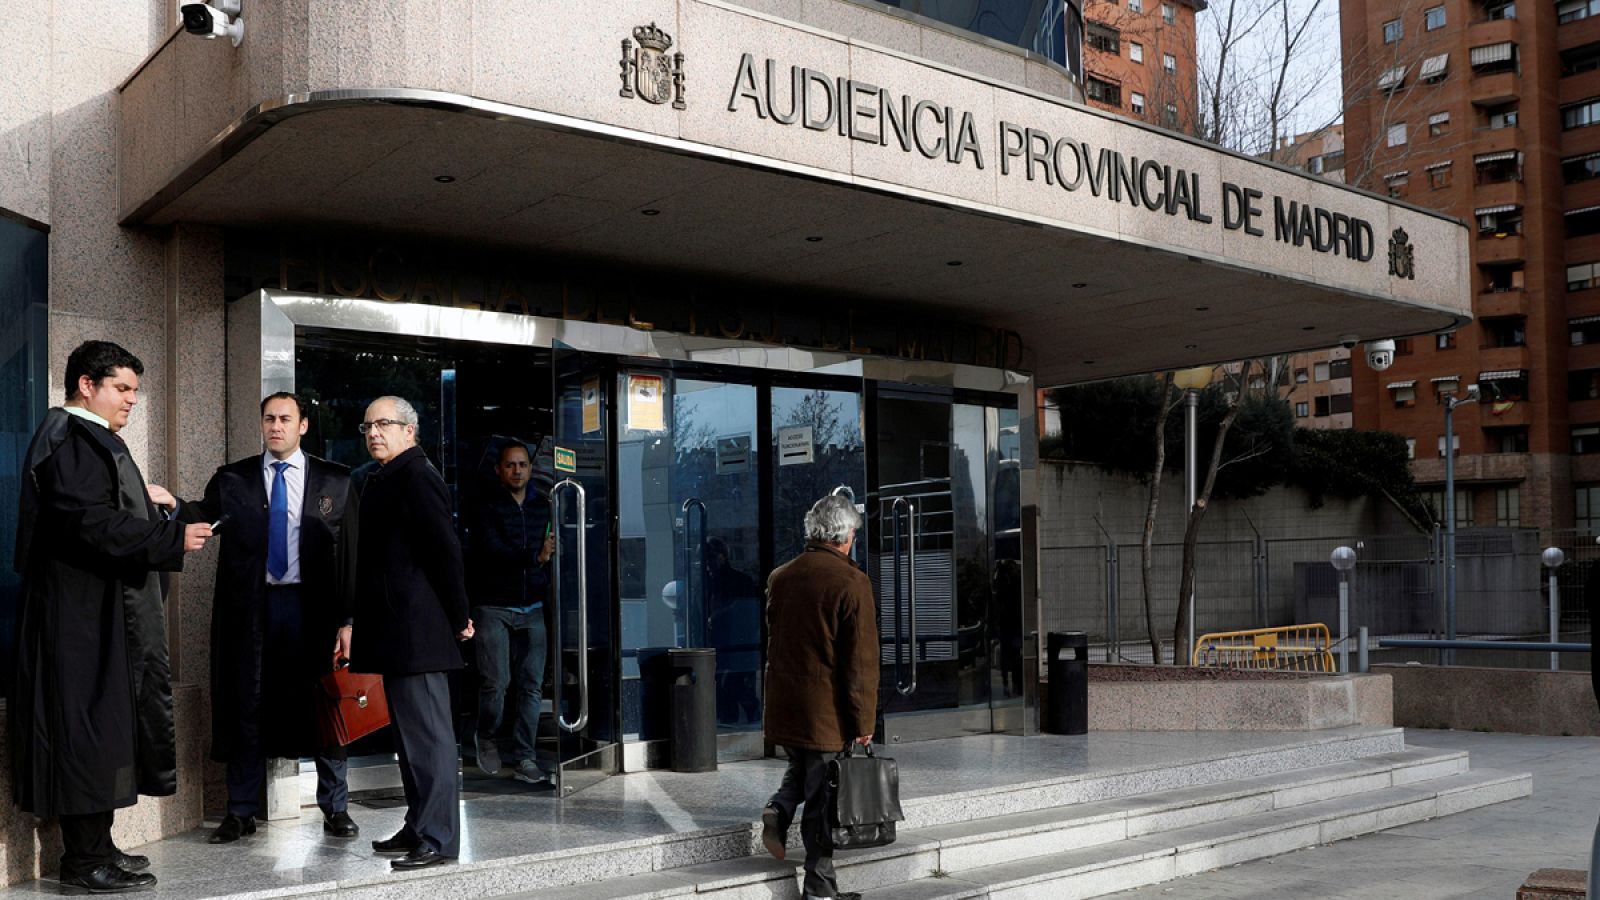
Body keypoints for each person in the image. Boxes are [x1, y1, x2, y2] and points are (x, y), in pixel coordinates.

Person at [9, 341, 212, 893]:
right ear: (86, 385)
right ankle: (82, 861)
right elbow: (88, 523)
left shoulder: (80, 437)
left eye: (134, 391)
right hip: (78, 620)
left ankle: (99, 846)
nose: (131, 400)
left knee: (104, 732)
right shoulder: (72, 439)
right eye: (121, 388)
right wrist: (169, 538)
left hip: (94, 613)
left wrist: (154, 514)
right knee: (87, 733)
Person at [164, 392, 358, 844]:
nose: (276, 426)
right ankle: (240, 810)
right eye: (269, 418)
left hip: (312, 610)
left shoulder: (336, 481)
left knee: (326, 705)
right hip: (252, 609)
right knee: (245, 702)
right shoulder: (234, 479)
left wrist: (347, 621)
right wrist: (172, 504)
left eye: (286, 419)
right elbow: (203, 515)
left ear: (302, 426)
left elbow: (351, 556)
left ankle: (336, 807)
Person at [348, 396, 473, 870]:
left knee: (430, 741)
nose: (374, 433)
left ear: (409, 430)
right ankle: (419, 824)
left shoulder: (418, 476)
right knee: (409, 741)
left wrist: (459, 616)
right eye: (368, 426)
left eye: (384, 424)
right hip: (395, 630)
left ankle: (438, 838)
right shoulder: (384, 477)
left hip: (419, 632)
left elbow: (445, 551)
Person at [759, 495, 879, 900]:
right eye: (854, 534)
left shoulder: (781, 576)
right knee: (823, 801)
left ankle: (778, 809)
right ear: (845, 536)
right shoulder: (851, 582)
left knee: (804, 768)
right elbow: (860, 663)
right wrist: (863, 722)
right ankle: (820, 890)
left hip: (786, 704)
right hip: (826, 711)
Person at [468, 442, 554, 785]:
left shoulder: (542, 506)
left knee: (532, 686)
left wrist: (542, 567)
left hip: (533, 606)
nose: (517, 471)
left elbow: (550, 552)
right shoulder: (486, 507)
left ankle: (525, 757)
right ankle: (485, 734)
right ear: (498, 470)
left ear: (530, 469)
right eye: (510, 465)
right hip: (493, 606)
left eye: (522, 465)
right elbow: (491, 551)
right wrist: (535, 558)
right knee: (497, 683)